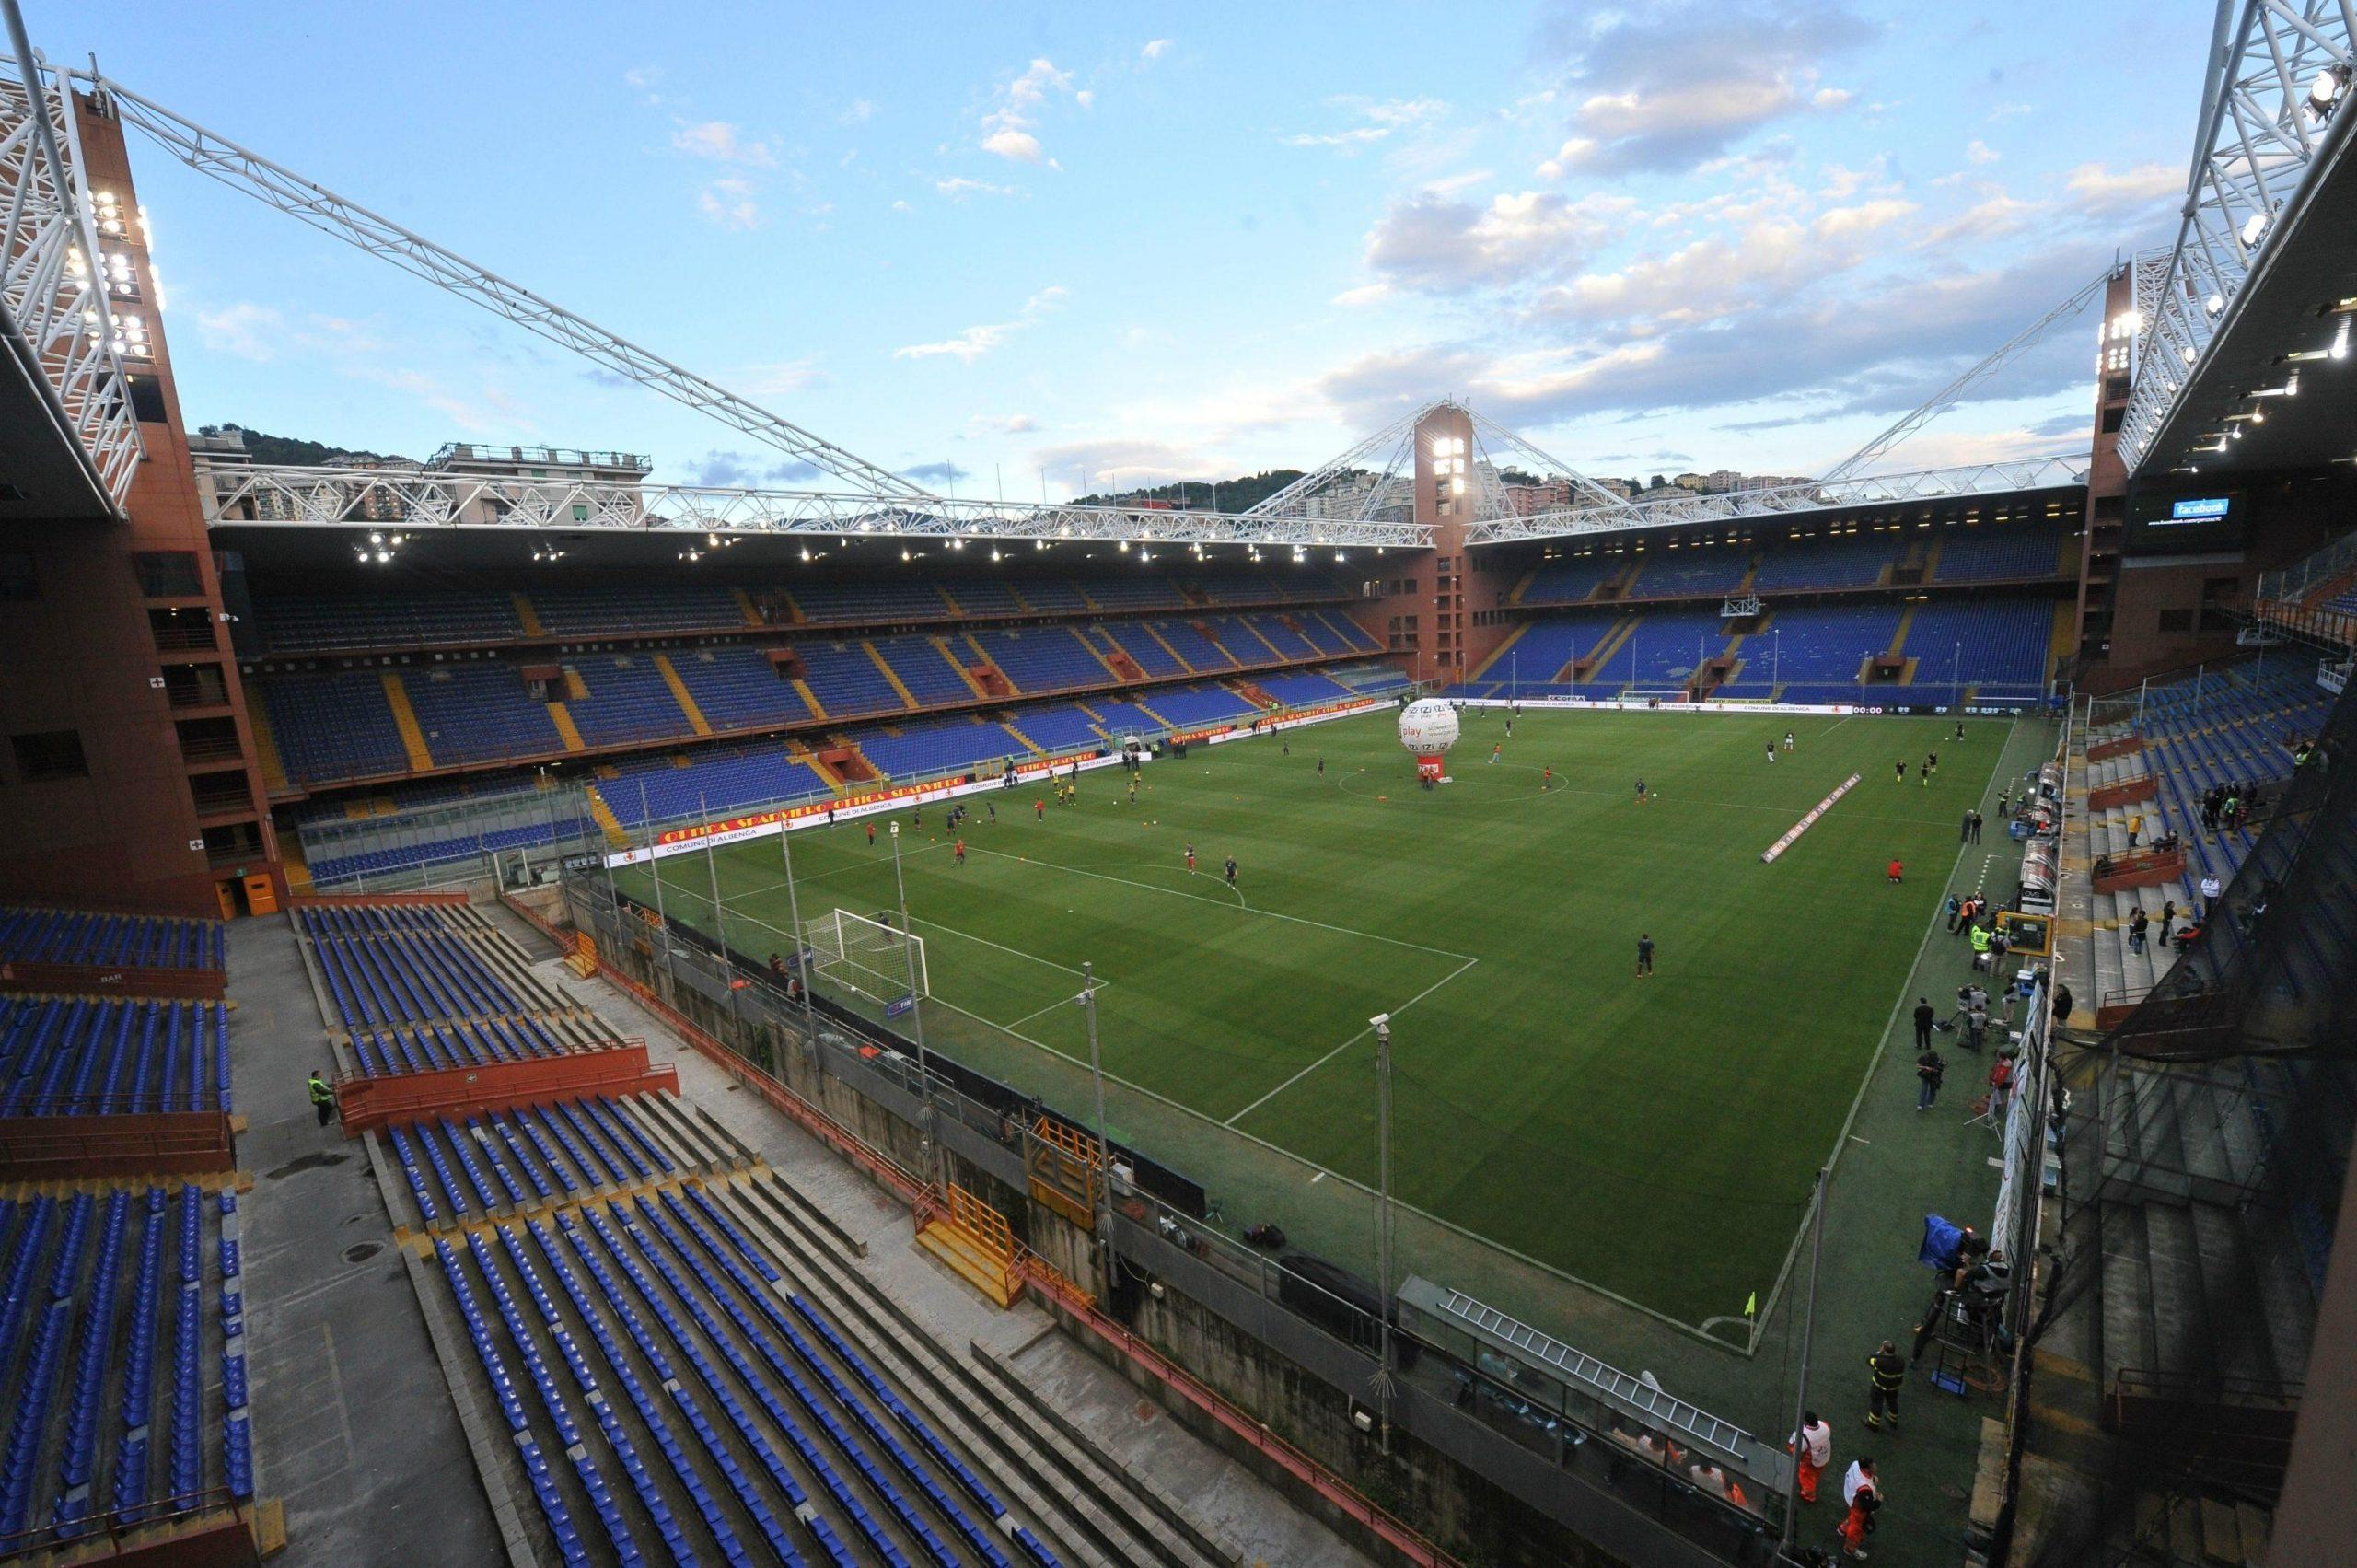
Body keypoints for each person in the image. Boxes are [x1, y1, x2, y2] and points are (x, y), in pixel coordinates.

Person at [1838, 1458, 1880, 1560]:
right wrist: (1879, 1501)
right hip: (1858, 1506)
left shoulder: (1856, 1464)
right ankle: (1849, 1548)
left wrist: (1872, 1477)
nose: (1875, 1466)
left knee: (1854, 1517)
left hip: (1850, 1496)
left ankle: (1843, 1528)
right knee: (1857, 1528)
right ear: (1866, 1469)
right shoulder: (1864, 1488)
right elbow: (1867, 1507)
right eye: (1872, 1465)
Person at [1790, 1412, 1833, 1504]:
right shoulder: (1824, 1425)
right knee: (1815, 1475)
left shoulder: (1805, 1435)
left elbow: (1797, 1450)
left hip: (1812, 1462)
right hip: (1824, 1457)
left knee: (1806, 1477)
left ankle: (1808, 1495)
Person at [1865, 1340, 1907, 1430]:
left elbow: (1869, 1360)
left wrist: (1879, 1353)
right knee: (1892, 1401)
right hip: (1894, 1387)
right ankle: (1893, 1419)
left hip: (1880, 1387)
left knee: (1877, 1403)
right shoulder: (1901, 1360)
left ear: (1884, 1350)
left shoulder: (1881, 1362)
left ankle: (1873, 1424)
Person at [1916, 1044, 1945, 1111]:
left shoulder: (1938, 1060)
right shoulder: (1923, 1058)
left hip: (1934, 1076)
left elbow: (1940, 1069)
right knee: (1924, 1090)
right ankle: (1920, 1105)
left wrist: (1934, 1070)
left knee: (1933, 1090)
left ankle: (1930, 1103)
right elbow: (1917, 1065)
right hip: (1926, 1075)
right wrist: (1926, 1067)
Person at [1989, 1051, 2016, 1119]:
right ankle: (2002, 1105)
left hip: (2004, 1083)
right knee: (2003, 1094)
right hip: (2009, 1082)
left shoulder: (2003, 1066)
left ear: (2001, 1057)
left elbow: (2000, 1077)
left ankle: (1999, 1107)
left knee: (2000, 1095)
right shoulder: (2009, 1063)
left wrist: (1995, 1083)